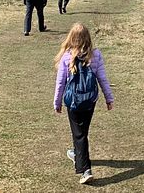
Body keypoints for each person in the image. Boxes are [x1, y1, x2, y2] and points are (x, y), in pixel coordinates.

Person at [53, 23, 114, 185]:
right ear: (88, 38)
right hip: (89, 101)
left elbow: (60, 83)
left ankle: (85, 169)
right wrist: (109, 98)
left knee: (79, 134)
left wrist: (57, 102)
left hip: (72, 102)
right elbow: (102, 79)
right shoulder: (96, 55)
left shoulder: (66, 56)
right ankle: (76, 153)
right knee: (82, 132)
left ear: (71, 38)